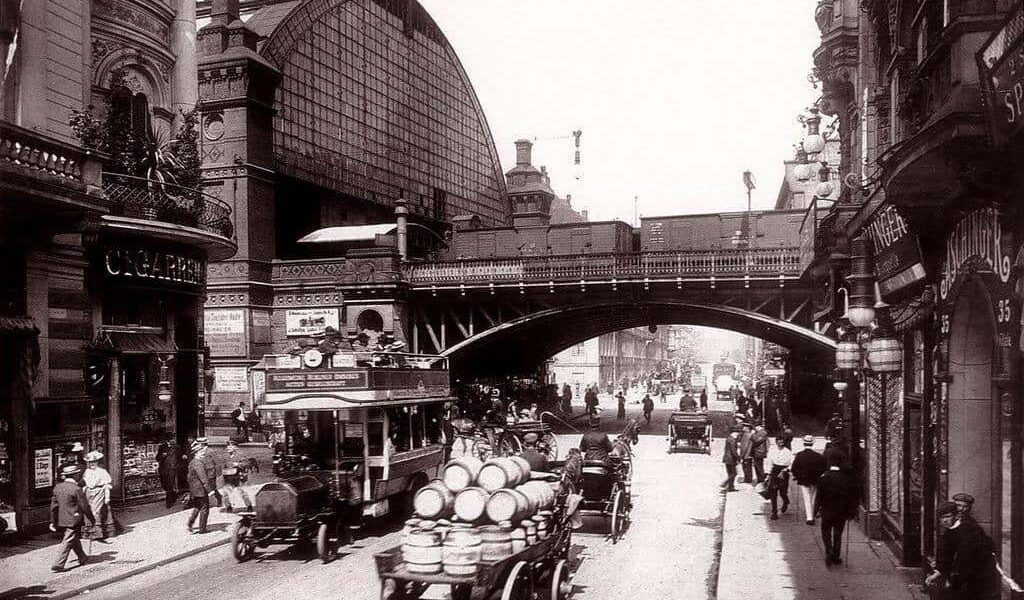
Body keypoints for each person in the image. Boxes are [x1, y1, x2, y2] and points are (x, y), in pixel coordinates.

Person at [925, 501, 1001, 599]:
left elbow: (965, 557)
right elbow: (947, 556)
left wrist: (947, 573)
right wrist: (939, 569)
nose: (944, 520)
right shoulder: (948, 532)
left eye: (948, 516)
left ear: (957, 516)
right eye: (942, 517)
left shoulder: (969, 530)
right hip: (961, 578)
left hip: (975, 578)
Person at [814, 452, 857, 566]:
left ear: (829, 462)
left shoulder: (823, 479)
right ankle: (836, 556)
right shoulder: (846, 479)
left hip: (827, 511)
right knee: (838, 534)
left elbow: (818, 498)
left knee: (826, 533)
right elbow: (851, 498)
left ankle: (829, 550)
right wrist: (851, 512)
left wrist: (815, 511)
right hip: (841, 512)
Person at [50, 465, 95, 572]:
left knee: (73, 538)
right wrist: (92, 519)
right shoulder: (76, 489)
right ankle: (58, 564)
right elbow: (85, 506)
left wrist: (53, 521)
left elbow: (53, 506)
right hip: (74, 519)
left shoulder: (58, 487)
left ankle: (82, 557)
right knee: (69, 539)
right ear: (76, 475)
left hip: (62, 518)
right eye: (78, 474)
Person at [791, 435, 827, 525]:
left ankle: (809, 517)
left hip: (804, 480)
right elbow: (823, 468)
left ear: (804, 444)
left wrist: (797, 476)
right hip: (815, 480)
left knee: (806, 498)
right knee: (814, 498)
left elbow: (794, 468)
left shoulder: (799, 455)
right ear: (812, 444)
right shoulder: (818, 456)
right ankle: (813, 513)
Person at [82, 451, 116, 541]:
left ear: (97, 462)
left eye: (94, 462)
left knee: (96, 511)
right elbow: (85, 482)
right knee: (88, 511)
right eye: (90, 462)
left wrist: (107, 497)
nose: (92, 464)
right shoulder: (87, 471)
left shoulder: (102, 471)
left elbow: (106, 484)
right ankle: (90, 532)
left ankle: (98, 533)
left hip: (99, 492)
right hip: (89, 493)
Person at [187, 441, 213, 533]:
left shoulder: (192, 462)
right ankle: (202, 529)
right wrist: (209, 491)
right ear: (197, 453)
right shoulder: (198, 464)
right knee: (205, 509)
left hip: (194, 490)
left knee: (198, 507)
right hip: (201, 490)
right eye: (201, 452)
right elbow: (204, 479)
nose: (203, 454)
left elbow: (189, 478)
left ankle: (190, 523)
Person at [766, 437, 793, 519]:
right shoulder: (772, 451)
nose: (781, 444)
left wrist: (785, 470)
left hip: (784, 471)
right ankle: (774, 512)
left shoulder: (788, 452)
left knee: (782, 492)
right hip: (775, 471)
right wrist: (768, 474)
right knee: (773, 492)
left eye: (782, 442)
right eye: (779, 442)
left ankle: (786, 501)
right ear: (776, 442)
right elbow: (769, 462)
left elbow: (792, 463)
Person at [157, 437, 184, 508]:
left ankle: (169, 502)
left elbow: (180, 457)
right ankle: (174, 495)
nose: (173, 441)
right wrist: (162, 456)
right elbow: (157, 458)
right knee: (165, 485)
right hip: (164, 469)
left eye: (174, 439)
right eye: (172, 439)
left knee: (170, 485)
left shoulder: (177, 447)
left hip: (173, 469)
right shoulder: (162, 447)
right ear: (168, 440)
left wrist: (178, 465)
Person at [720, 426, 741, 492]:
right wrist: (738, 458)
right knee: (734, 473)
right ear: (735, 433)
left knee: (730, 473)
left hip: (727, 458)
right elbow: (733, 450)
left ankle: (731, 487)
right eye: (737, 433)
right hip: (731, 458)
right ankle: (724, 483)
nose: (738, 435)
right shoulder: (732, 439)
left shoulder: (729, 438)